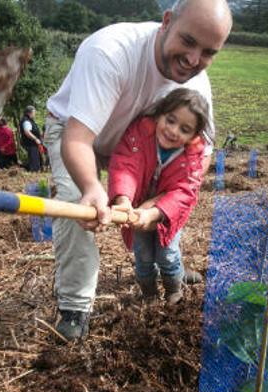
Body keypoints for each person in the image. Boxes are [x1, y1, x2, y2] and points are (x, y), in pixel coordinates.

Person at [41, 0, 232, 340]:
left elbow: (192, 168)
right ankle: (75, 306)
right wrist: (93, 187)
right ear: (167, 21)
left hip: (137, 148)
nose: (193, 60)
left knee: (165, 197)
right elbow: (79, 140)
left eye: (208, 52)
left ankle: (171, 262)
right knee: (76, 202)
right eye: (187, 41)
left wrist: (158, 204)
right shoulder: (111, 52)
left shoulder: (195, 87)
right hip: (78, 132)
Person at [109, 88, 209, 305]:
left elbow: (183, 192)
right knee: (143, 257)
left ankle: (174, 289)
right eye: (170, 120)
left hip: (167, 215)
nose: (173, 131)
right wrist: (123, 199)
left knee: (168, 255)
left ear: (193, 136)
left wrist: (154, 213)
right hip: (136, 211)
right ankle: (150, 294)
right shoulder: (139, 135)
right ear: (160, 114)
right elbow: (125, 166)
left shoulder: (191, 158)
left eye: (184, 129)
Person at [20, 106, 43, 172]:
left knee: (35, 160)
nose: (34, 114)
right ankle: (33, 175)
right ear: (29, 113)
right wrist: (36, 139)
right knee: (34, 162)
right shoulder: (26, 121)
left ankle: (34, 171)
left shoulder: (29, 120)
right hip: (31, 144)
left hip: (32, 144)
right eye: (34, 112)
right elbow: (27, 132)